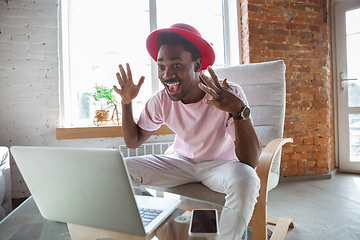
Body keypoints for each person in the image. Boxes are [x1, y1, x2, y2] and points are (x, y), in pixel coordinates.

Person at [114, 23, 261, 239]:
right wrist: (126, 103)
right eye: (161, 67)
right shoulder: (161, 101)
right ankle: (162, 227)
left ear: (197, 64)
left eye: (176, 65)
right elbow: (133, 141)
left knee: (247, 178)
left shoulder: (228, 94)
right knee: (119, 170)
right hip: (181, 163)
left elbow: (250, 160)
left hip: (222, 166)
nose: (167, 75)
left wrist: (239, 110)